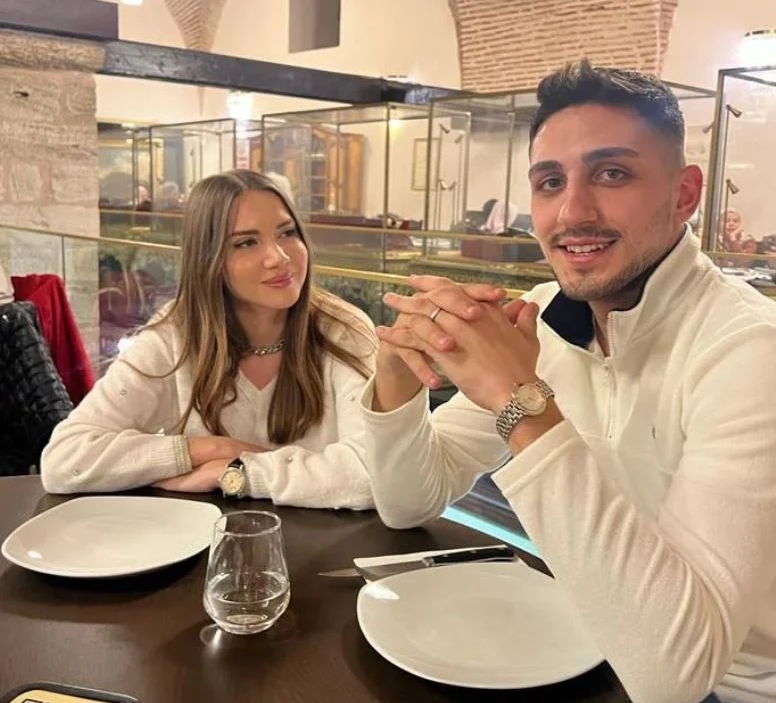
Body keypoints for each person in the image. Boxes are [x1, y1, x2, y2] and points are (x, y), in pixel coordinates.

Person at [360, 61, 776, 703]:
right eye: (550, 182)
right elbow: (409, 502)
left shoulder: (750, 350)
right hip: (591, 636)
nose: (572, 212)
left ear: (685, 194)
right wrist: (396, 373)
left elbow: (675, 677)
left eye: (612, 174)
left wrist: (520, 403)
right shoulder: (544, 317)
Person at [42, 170, 378, 509]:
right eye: (246, 242)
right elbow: (65, 460)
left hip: (325, 541)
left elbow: (376, 474)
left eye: (286, 233)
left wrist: (238, 474)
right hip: (204, 537)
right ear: (209, 259)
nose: (279, 257)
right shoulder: (174, 336)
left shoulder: (343, 330)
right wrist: (212, 448)